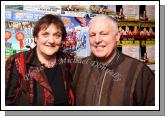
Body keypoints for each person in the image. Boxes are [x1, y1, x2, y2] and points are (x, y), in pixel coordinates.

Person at [73, 15, 155, 106]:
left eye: (104, 34)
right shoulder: (78, 67)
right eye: (92, 35)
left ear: (117, 36)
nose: (97, 40)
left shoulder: (139, 71)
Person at [5, 14, 76, 106]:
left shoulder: (69, 61)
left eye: (57, 35)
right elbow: (6, 103)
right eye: (45, 34)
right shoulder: (16, 61)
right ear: (36, 37)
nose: (51, 41)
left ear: (62, 39)